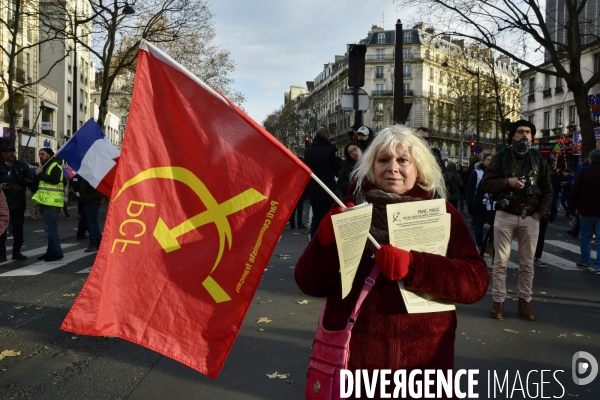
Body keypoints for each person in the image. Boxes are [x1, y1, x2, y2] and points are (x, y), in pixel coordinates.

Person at [295, 125, 489, 393]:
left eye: (403, 160)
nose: (393, 168)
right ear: (371, 165)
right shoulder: (347, 208)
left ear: (418, 166)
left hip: (423, 366)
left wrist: (415, 266)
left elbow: (476, 282)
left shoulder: (443, 213)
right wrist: (325, 242)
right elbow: (308, 282)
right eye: (383, 159)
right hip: (358, 363)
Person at [481, 120, 552, 321]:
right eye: (520, 132)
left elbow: (548, 190)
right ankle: (499, 302)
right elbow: (486, 183)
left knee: (527, 263)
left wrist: (541, 213)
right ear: (512, 136)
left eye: (528, 132)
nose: (524, 136)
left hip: (530, 216)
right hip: (505, 214)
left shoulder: (539, 159)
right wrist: (507, 182)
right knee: (500, 262)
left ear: (532, 136)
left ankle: (524, 302)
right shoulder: (501, 157)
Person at [0, 145, 35, 261]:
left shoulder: (21, 165)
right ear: (3, 153)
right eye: (8, 152)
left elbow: (32, 182)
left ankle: (17, 252)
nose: (11, 154)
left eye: (13, 152)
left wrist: (21, 179)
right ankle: (1, 254)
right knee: (1, 230)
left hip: (18, 202)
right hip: (2, 203)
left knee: (18, 230)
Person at [304, 126, 340, 238]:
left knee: (316, 216)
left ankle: (314, 239)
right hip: (327, 188)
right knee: (327, 216)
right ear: (326, 136)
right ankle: (325, 238)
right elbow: (336, 167)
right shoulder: (328, 151)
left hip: (314, 189)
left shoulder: (308, 151)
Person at [568, 148, 600, 274]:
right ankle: (599, 265)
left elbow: (575, 191)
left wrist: (572, 206)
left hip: (586, 209)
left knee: (585, 236)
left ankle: (585, 261)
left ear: (591, 160)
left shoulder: (584, 172)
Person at [33, 148, 64, 262]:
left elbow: (55, 180)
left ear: (49, 155)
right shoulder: (46, 166)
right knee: (49, 228)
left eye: (43, 154)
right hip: (47, 201)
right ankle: (50, 252)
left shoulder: (54, 166)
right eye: (39, 154)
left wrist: (40, 174)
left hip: (53, 202)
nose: (40, 156)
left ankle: (57, 252)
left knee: (50, 229)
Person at [466, 153, 494, 256]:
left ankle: (490, 246)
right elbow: (470, 189)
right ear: (483, 161)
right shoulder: (476, 172)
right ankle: (480, 247)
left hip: (491, 205)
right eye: (488, 160)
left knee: (493, 227)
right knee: (479, 226)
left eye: (492, 160)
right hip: (479, 204)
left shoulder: (495, 173)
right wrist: (471, 205)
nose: (490, 162)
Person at [79, 176, 104, 252]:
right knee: (92, 221)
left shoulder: (92, 174)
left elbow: (93, 188)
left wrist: (87, 198)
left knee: (92, 222)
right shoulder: (92, 173)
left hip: (91, 200)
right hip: (91, 200)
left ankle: (93, 243)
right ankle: (98, 240)